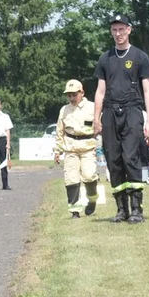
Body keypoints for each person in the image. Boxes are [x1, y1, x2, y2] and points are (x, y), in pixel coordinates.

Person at [93, 14, 149, 224]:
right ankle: (122, 210)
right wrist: (96, 118)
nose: (118, 34)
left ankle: (137, 209)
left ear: (129, 30)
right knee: (114, 160)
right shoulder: (105, 58)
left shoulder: (140, 57)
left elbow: (148, 90)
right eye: (114, 30)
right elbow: (100, 91)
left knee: (131, 158)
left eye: (121, 29)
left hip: (132, 111)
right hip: (110, 112)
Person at [53, 80, 100, 218]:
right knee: (71, 179)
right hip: (71, 148)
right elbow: (59, 132)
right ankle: (75, 211)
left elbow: (100, 127)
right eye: (69, 95)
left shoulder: (93, 107)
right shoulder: (64, 110)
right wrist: (57, 150)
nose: (72, 98)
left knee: (89, 175)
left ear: (82, 93)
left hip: (88, 147)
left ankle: (92, 200)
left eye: (74, 94)